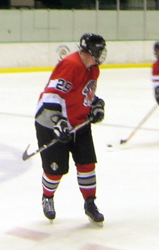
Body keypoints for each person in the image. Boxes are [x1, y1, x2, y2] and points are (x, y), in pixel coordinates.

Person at [34, 33, 106, 225]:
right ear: (88, 51)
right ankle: (47, 197)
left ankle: (90, 204)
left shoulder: (93, 69)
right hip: (51, 123)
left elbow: (84, 94)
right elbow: (52, 95)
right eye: (98, 50)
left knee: (87, 164)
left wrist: (96, 105)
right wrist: (59, 122)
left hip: (79, 123)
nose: (101, 54)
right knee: (55, 170)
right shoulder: (71, 65)